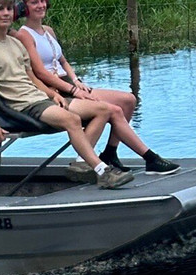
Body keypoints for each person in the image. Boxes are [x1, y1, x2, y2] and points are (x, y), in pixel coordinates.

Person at [0, 0, 133, 188]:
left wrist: (52, 94)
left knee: (103, 110)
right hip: (23, 106)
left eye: (9, 9)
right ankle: (103, 172)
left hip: (40, 98)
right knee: (72, 120)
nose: (5, 13)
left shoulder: (15, 43)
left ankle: (82, 165)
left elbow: (32, 77)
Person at [14, 0, 177, 173]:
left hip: (68, 84)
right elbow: (39, 72)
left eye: (42, 1)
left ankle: (110, 153)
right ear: (24, 8)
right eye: (34, 3)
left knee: (128, 100)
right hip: (54, 91)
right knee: (113, 110)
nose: (40, 5)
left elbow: (63, 61)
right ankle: (150, 158)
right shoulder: (24, 35)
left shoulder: (48, 31)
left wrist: (76, 81)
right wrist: (73, 91)